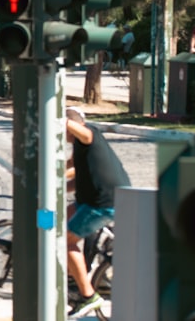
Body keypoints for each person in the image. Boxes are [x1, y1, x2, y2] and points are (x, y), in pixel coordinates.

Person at [65, 107, 130, 318]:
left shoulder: (88, 135)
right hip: (91, 201)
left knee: (64, 241)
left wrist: (58, 120)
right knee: (58, 221)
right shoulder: (79, 150)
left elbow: (83, 131)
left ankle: (87, 295)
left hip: (102, 204)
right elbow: (72, 177)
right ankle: (70, 275)